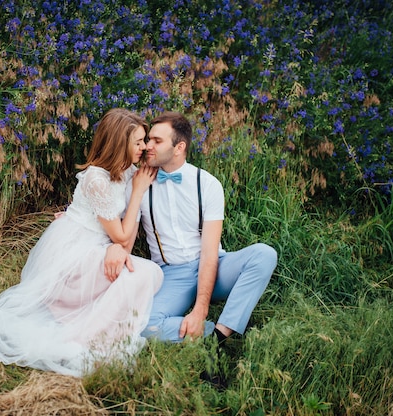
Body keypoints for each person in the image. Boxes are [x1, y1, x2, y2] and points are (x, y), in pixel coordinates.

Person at [0, 108, 163, 377]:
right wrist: (138, 194)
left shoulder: (128, 171)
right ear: (119, 143)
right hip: (74, 252)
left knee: (145, 273)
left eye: (144, 141)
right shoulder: (96, 179)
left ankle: (90, 333)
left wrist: (120, 248)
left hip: (99, 245)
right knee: (146, 272)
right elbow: (121, 234)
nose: (143, 147)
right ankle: (83, 340)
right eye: (138, 142)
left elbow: (125, 236)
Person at [105, 111, 277, 348]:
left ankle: (219, 336)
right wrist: (111, 244)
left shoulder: (207, 184)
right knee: (141, 324)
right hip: (172, 274)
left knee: (264, 254)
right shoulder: (138, 183)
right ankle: (208, 333)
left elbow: (209, 254)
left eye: (157, 141)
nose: (147, 146)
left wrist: (199, 310)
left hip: (215, 266)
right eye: (148, 139)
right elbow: (124, 236)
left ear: (179, 147)